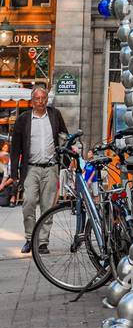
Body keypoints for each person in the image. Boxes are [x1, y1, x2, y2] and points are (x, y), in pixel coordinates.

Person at [10, 84, 68, 254]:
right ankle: (30, 238)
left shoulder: (55, 115)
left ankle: (42, 242)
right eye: (37, 98)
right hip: (31, 168)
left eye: (44, 98)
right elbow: (15, 148)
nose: (41, 101)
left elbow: (64, 135)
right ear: (32, 101)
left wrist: (67, 159)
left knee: (48, 206)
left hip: (51, 168)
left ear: (47, 100)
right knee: (28, 203)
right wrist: (14, 173)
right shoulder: (23, 119)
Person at [0, 139, 17, 207]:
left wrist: (3, 184)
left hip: (10, 177)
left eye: (6, 147)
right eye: (3, 147)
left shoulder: (10, 158)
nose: (5, 149)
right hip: (3, 177)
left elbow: (9, 174)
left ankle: (12, 198)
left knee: (15, 180)